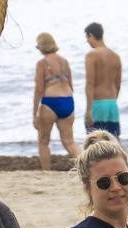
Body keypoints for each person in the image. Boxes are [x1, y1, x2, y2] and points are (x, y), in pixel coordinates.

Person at [32, 32, 82, 171]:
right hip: (67, 101)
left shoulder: (42, 63)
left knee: (43, 142)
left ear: (41, 47)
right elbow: (71, 85)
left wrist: (35, 114)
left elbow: (39, 90)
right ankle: (87, 167)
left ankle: (47, 172)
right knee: (69, 142)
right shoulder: (65, 62)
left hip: (50, 102)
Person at [83, 23, 122, 138]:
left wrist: (89, 110)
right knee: (113, 143)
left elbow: (90, 83)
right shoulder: (116, 56)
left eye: (87, 38)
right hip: (112, 104)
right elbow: (118, 84)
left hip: (98, 105)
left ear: (91, 35)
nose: (87, 41)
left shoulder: (92, 55)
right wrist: (113, 101)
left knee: (94, 145)